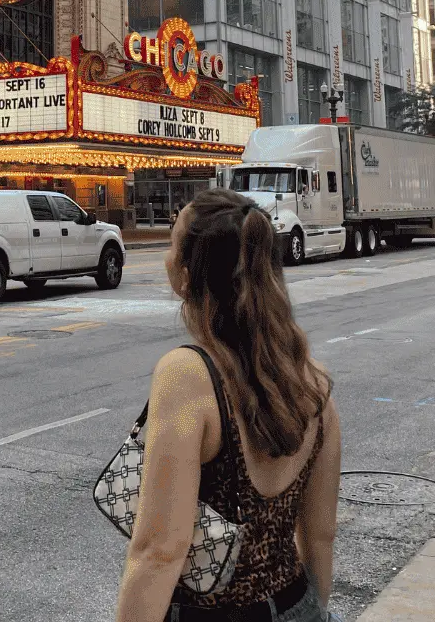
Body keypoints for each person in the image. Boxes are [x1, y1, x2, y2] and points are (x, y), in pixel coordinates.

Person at [115, 189, 341, 622]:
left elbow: (159, 551)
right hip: (297, 603)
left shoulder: (187, 374)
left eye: (170, 243)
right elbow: (320, 535)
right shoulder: (312, 382)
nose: (166, 255)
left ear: (186, 274)